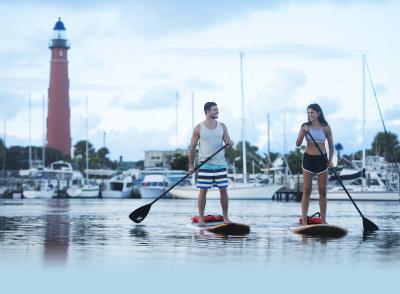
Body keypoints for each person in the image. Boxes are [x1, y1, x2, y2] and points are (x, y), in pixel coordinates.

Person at [188, 102, 234, 227]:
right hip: (205, 165)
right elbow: (192, 148)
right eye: (215, 110)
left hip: (220, 165)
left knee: (223, 190)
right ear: (208, 111)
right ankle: (201, 220)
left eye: (217, 110)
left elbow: (227, 140)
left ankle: (226, 218)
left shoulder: (222, 126)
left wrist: (230, 143)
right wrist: (191, 166)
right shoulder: (199, 128)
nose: (217, 112)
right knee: (203, 191)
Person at [295, 103, 334, 225]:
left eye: (312, 112)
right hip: (308, 159)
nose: (309, 115)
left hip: (322, 160)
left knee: (322, 191)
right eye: (308, 112)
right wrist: (303, 131)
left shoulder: (326, 128)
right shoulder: (305, 127)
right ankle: (305, 221)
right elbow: (297, 143)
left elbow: (331, 147)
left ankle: (323, 221)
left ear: (318, 113)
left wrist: (330, 160)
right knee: (307, 190)